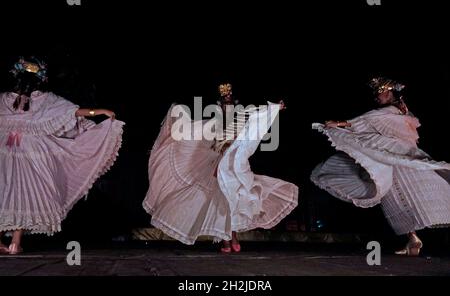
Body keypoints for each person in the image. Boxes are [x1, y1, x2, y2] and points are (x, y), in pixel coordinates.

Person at [143, 82, 298, 252]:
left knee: (231, 201)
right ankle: (229, 240)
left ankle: (231, 239)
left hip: (234, 166)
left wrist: (275, 109)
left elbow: (257, 119)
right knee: (224, 203)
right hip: (218, 164)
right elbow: (199, 140)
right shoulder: (213, 124)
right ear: (220, 106)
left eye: (230, 103)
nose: (228, 106)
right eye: (225, 103)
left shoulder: (240, 120)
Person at [311, 77, 450, 256]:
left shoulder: (390, 110)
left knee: (403, 193)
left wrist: (339, 124)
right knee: (395, 196)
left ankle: (414, 238)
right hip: (396, 155)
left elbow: (368, 120)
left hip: (397, 153)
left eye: (379, 93)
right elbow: (375, 124)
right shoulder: (401, 109)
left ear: (389, 92)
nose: (377, 97)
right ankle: (412, 238)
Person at [0, 57, 124, 254]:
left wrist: (98, 110)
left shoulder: (5, 99)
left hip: (5, 151)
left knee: (6, 192)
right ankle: (15, 242)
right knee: (26, 193)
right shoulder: (44, 100)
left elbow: (70, 112)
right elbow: (73, 112)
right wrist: (98, 111)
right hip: (33, 153)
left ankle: (9, 240)